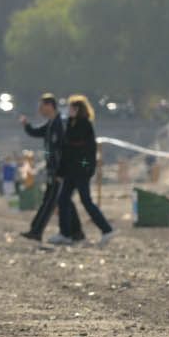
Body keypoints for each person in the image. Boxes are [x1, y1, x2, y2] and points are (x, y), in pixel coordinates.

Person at [19, 93, 83, 242]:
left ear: (49, 106)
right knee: (62, 200)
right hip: (53, 170)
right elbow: (35, 132)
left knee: (51, 201)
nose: (39, 110)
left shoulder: (60, 124)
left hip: (59, 171)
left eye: (41, 106)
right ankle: (77, 232)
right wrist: (26, 125)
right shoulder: (50, 124)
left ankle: (37, 231)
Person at [52, 95, 114, 245]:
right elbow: (67, 151)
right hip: (70, 171)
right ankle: (65, 234)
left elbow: (80, 148)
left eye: (72, 108)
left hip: (80, 171)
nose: (69, 110)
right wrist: (60, 172)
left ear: (79, 109)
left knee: (86, 201)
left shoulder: (84, 125)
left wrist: (85, 168)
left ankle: (107, 230)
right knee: (63, 200)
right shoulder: (71, 124)